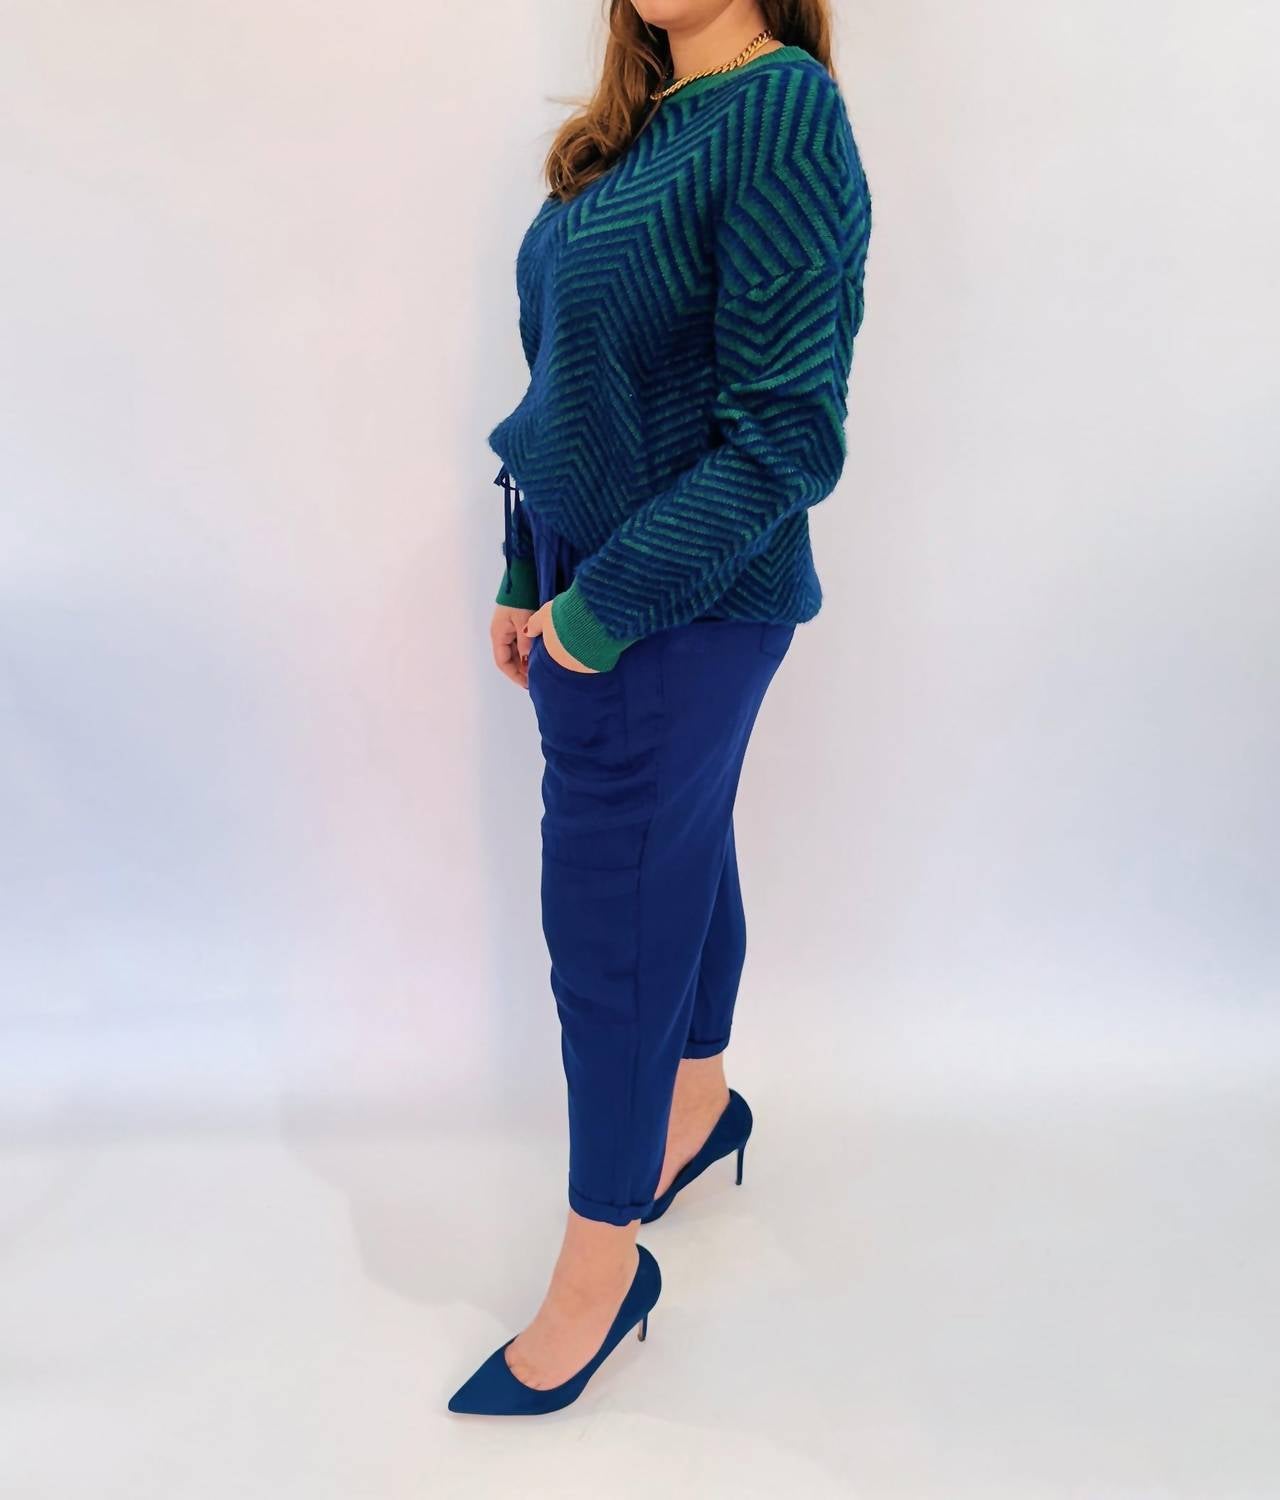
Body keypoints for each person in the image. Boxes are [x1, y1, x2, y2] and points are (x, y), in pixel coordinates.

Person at [449, 0, 873, 1416]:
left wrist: (598, 607)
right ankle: (696, 1103)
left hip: (679, 601)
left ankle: (600, 1267)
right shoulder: (625, 137)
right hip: (588, 577)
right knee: (682, 848)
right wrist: (526, 566)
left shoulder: (782, 111)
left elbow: (787, 435)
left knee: (611, 922)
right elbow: (567, 382)